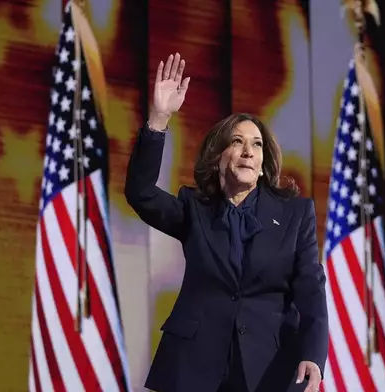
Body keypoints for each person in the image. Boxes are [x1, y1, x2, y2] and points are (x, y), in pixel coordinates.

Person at [125, 53, 328, 392]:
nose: (248, 151)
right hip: (194, 365)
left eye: (257, 145)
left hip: (268, 367)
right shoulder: (195, 209)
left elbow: (311, 289)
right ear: (218, 158)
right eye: (237, 142)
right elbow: (140, 193)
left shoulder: (295, 215)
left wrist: (313, 354)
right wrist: (158, 119)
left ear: (263, 164)